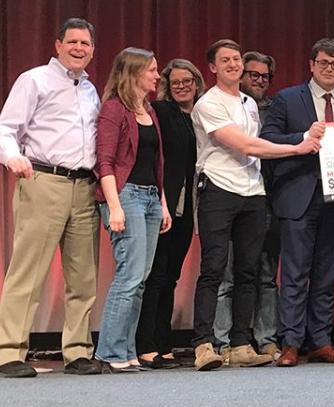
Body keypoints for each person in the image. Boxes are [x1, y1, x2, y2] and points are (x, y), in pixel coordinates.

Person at [190, 39, 319, 371]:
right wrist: (298, 146)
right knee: (214, 268)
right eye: (226, 60)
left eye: (236, 59)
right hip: (218, 189)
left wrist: (299, 141)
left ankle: (240, 343)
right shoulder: (207, 103)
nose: (233, 64)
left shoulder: (249, 102)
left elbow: (258, 144)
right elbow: (246, 145)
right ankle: (204, 344)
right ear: (213, 67)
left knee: (248, 271)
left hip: (253, 191)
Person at [0, 18, 101, 378]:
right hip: (43, 179)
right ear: (57, 45)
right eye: (72, 42)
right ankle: (9, 351)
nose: (78, 48)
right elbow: (6, 127)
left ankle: (78, 351)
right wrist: (12, 157)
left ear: (93, 50)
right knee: (27, 272)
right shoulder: (34, 80)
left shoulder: (90, 89)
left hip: (84, 186)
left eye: (85, 43)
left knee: (83, 276)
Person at [261, 38, 334, 367]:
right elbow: (267, 139)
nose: (329, 68)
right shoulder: (287, 99)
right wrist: (302, 138)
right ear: (311, 65)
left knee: (326, 274)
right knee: (295, 273)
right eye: (323, 62)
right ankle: (291, 343)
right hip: (298, 196)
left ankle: (321, 341)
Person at [95, 47, 172, 372]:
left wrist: (163, 203)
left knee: (141, 278)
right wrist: (114, 207)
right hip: (125, 196)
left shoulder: (148, 110)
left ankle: (126, 350)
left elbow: (156, 162)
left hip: (150, 198)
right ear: (134, 72)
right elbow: (105, 162)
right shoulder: (114, 109)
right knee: (129, 275)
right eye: (152, 70)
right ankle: (110, 351)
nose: (157, 75)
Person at [135, 59, 205, 369]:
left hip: (190, 206)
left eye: (186, 80)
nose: (181, 86)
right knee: (156, 275)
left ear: (196, 82)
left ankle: (163, 344)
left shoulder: (204, 113)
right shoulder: (161, 112)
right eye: (175, 82)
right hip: (164, 202)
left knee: (171, 276)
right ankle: (146, 344)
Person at [214, 50, 282, 360]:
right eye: (253, 74)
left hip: (268, 201)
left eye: (265, 76)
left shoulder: (276, 110)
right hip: (230, 197)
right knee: (228, 275)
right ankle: (223, 342)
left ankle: (266, 339)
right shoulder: (222, 105)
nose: (259, 80)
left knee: (266, 276)